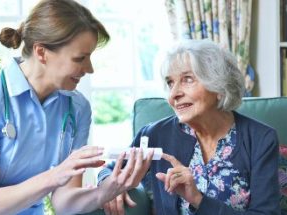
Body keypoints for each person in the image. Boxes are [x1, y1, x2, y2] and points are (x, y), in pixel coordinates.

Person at [0, 0, 154, 214]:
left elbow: (63, 202)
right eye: (80, 58)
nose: (89, 69)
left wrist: (107, 190)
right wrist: (54, 176)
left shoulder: (76, 107)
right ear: (41, 52)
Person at [98, 39, 281, 214]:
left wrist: (198, 200)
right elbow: (109, 170)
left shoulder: (261, 139)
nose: (174, 94)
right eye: (170, 83)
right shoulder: (155, 134)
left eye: (187, 79)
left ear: (219, 86)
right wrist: (111, 186)